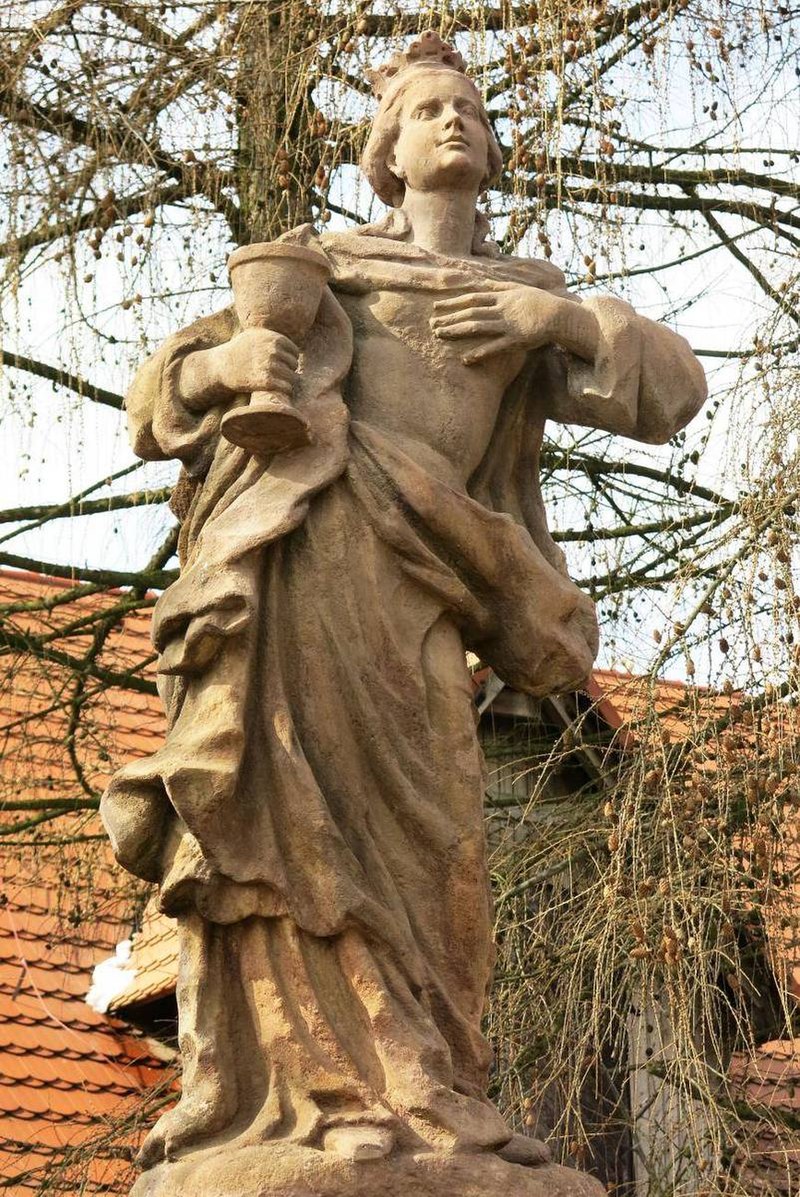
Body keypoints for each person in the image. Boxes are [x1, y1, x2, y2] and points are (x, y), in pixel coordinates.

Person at [102, 31, 706, 1187]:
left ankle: (432, 1084)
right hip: (297, 576)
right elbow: (158, 400)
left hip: (429, 593)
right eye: (426, 109)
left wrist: (555, 325)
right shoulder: (324, 273)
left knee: (436, 846)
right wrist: (233, 369)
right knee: (291, 821)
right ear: (384, 152)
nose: (452, 121)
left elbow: (669, 391)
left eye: (468, 109)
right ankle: (321, 1094)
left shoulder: (522, 298)